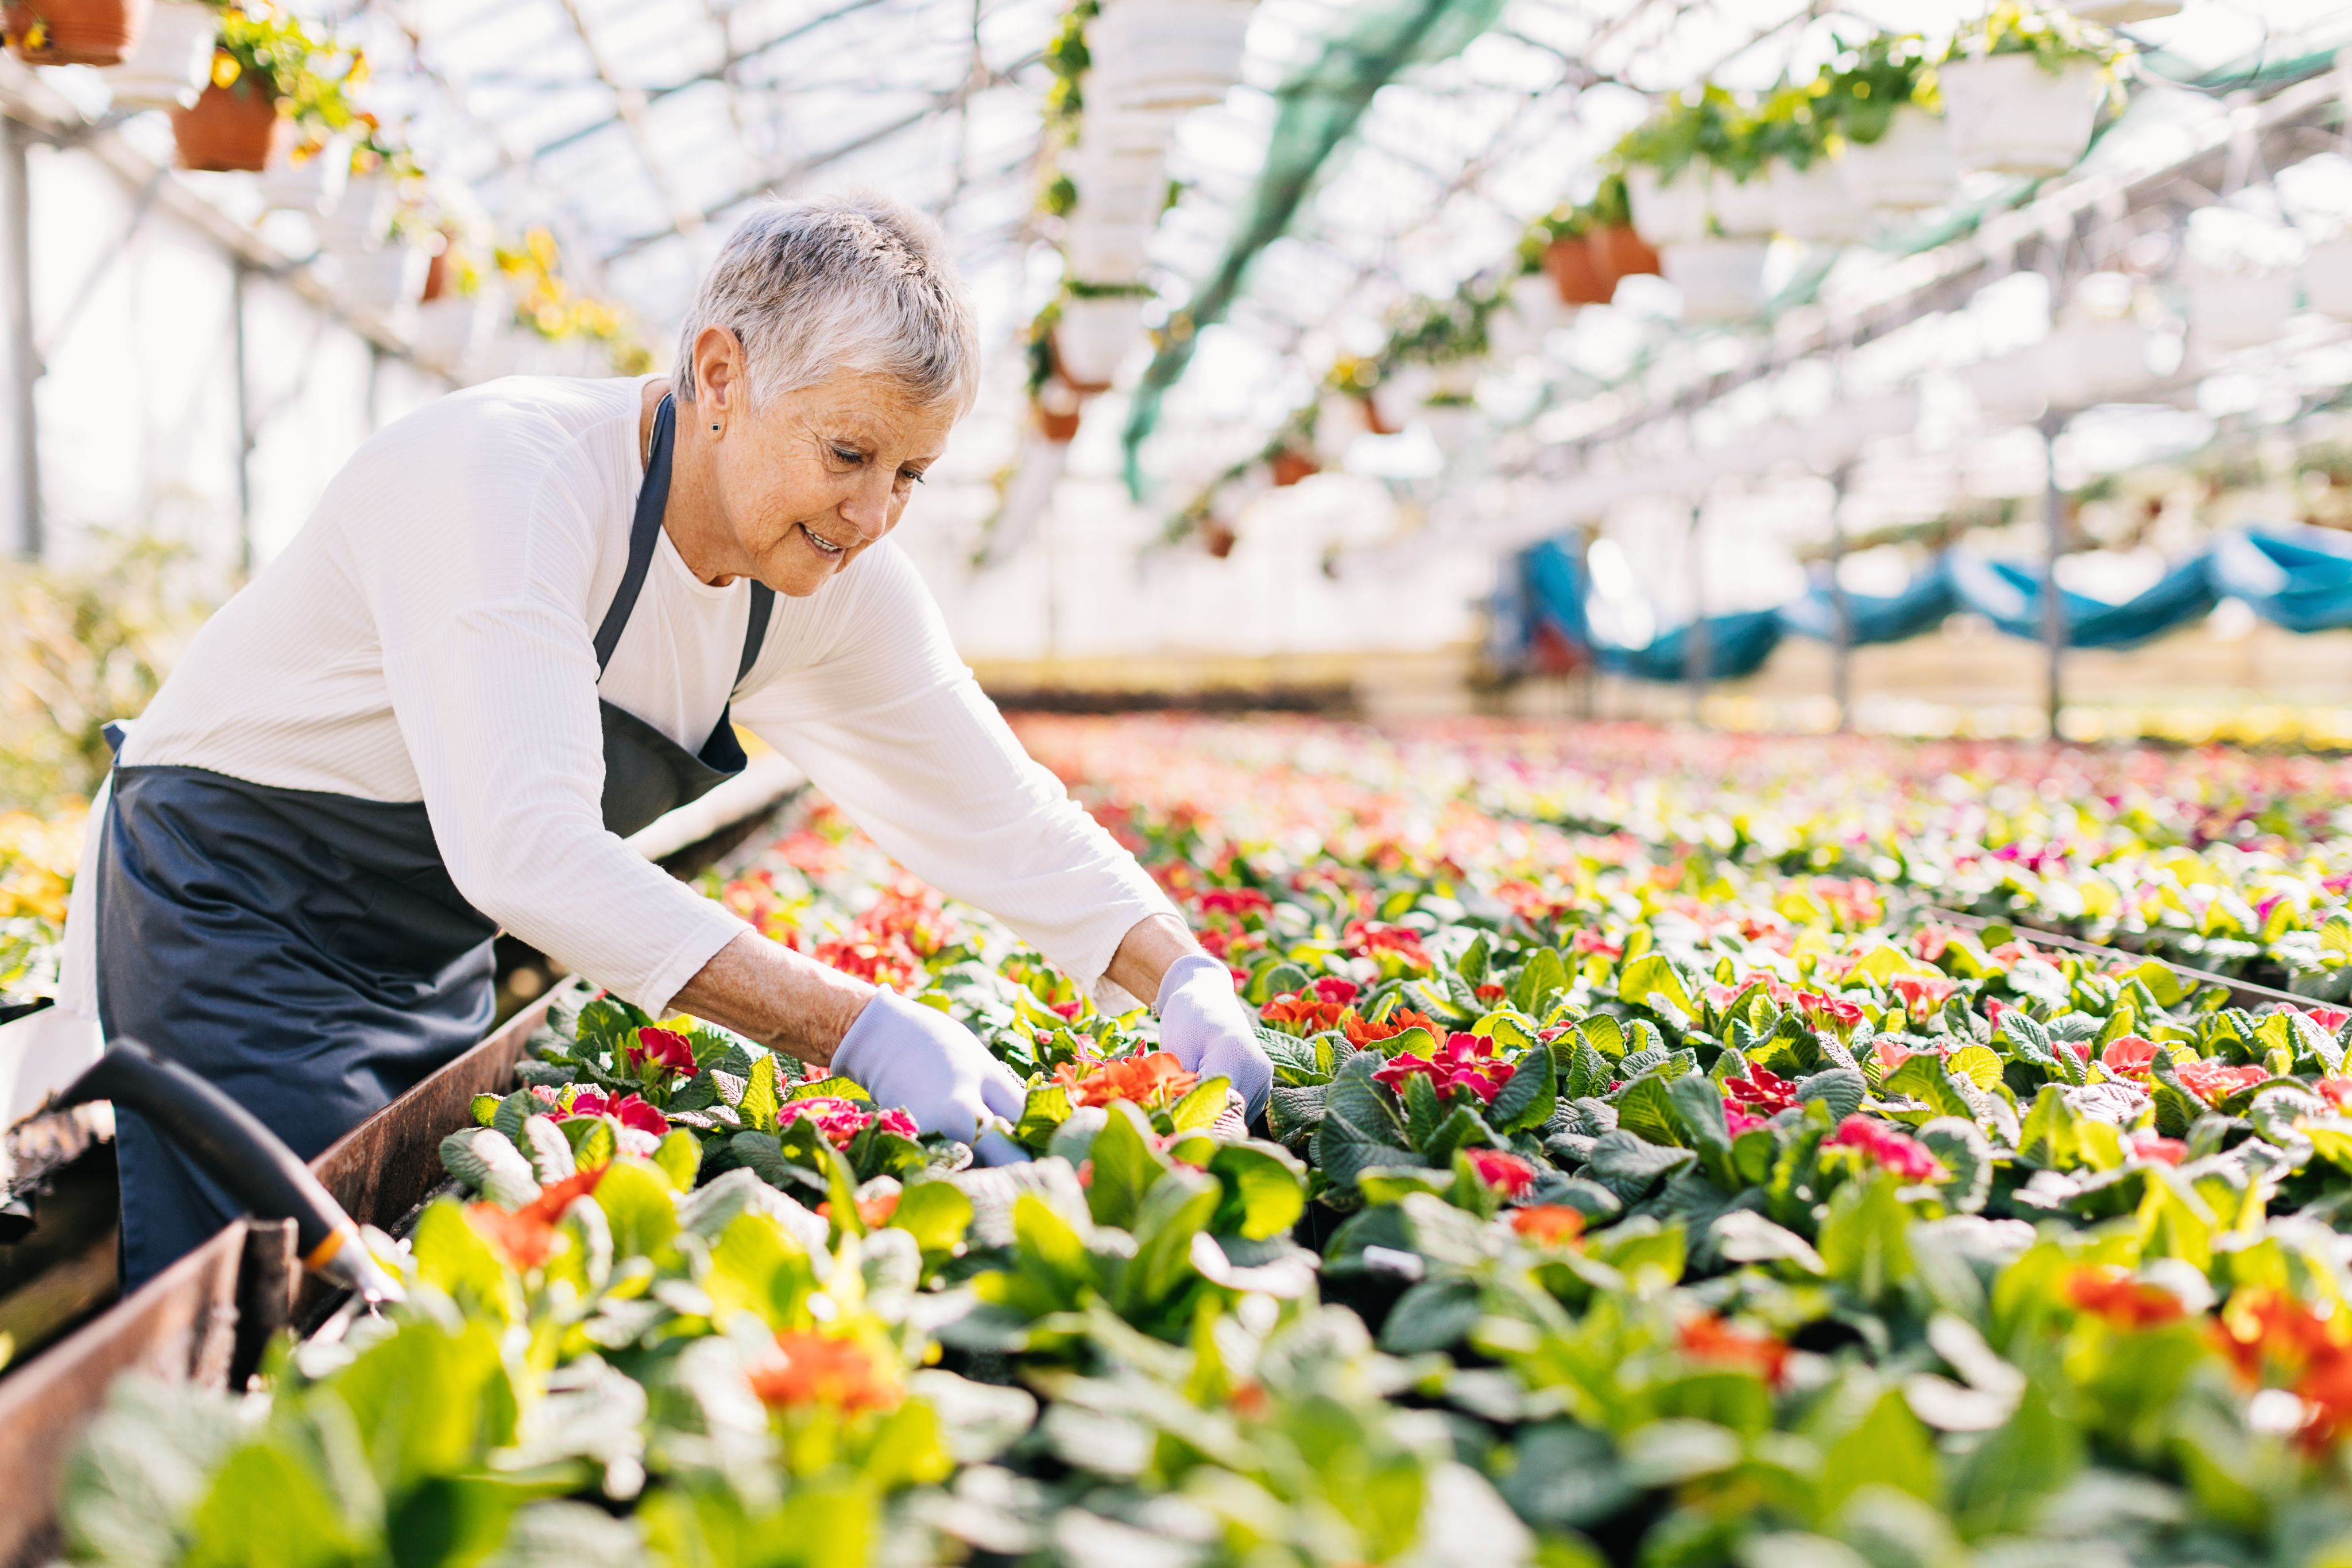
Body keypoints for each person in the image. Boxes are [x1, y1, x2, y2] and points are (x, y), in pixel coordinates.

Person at [55, 193, 1271, 1288]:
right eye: (848, 453)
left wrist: (1177, 972)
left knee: (395, 1265)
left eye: (911, 472)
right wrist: (857, 1028)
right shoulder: (508, 479)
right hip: (233, 910)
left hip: (424, 947)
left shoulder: (833, 572)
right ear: (720, 372)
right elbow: (526, 851)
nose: (870, 515)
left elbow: (994, 805)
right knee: (282, 1296)